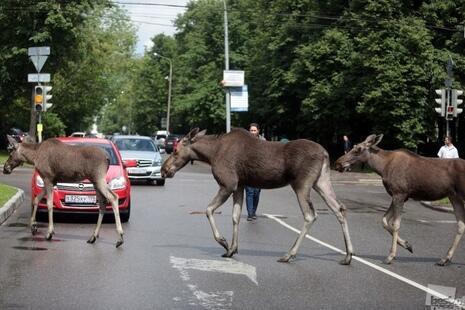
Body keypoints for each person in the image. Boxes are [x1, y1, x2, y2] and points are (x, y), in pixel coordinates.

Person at [245, 123, 266, 221]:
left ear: (258, 131)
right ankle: (249, 214)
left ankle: (253, 212)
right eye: (251, 130)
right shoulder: (244, 142)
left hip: (260, 171)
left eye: (254, 130)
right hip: (248, 171)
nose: (253, 132)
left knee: (256, 193)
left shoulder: (263, 141)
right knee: (249, 192)